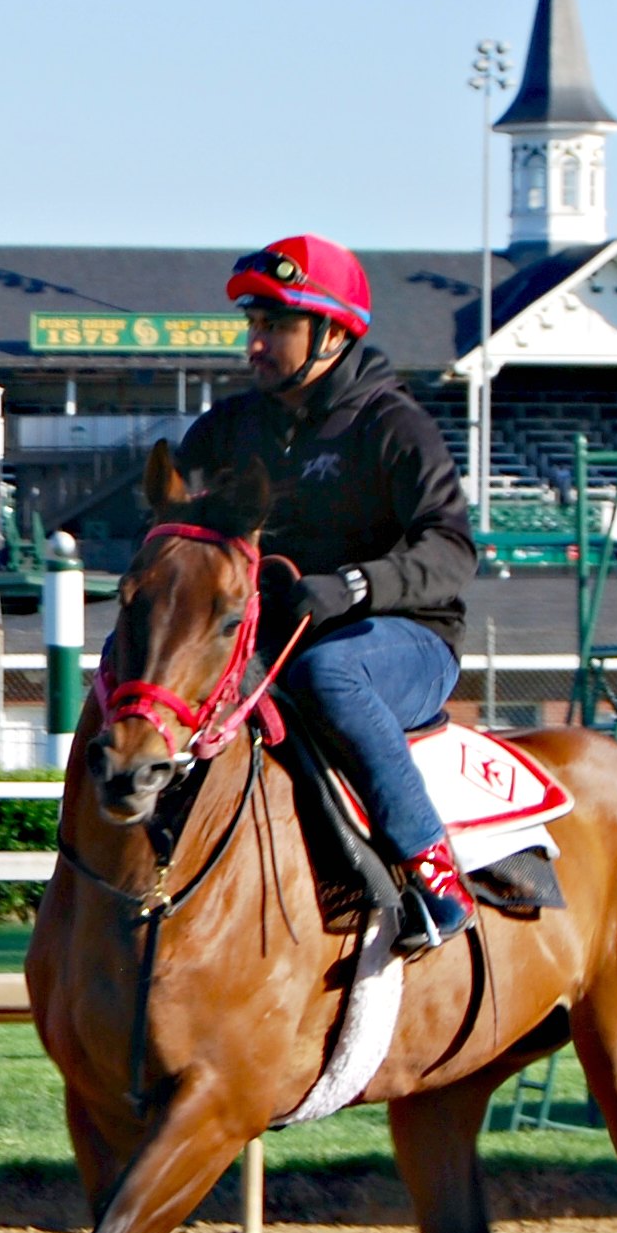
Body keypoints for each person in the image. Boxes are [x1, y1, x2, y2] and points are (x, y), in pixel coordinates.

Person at [176, 233, 479, 955]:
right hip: (274, 637)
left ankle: (436, 873)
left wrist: (352, 586)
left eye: (275, 326)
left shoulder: (394, 424)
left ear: (333, 334)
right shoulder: (228, 429)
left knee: (328, 672)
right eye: (253, 324)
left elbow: (452, 550)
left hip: (406, 640)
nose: (255, 343)